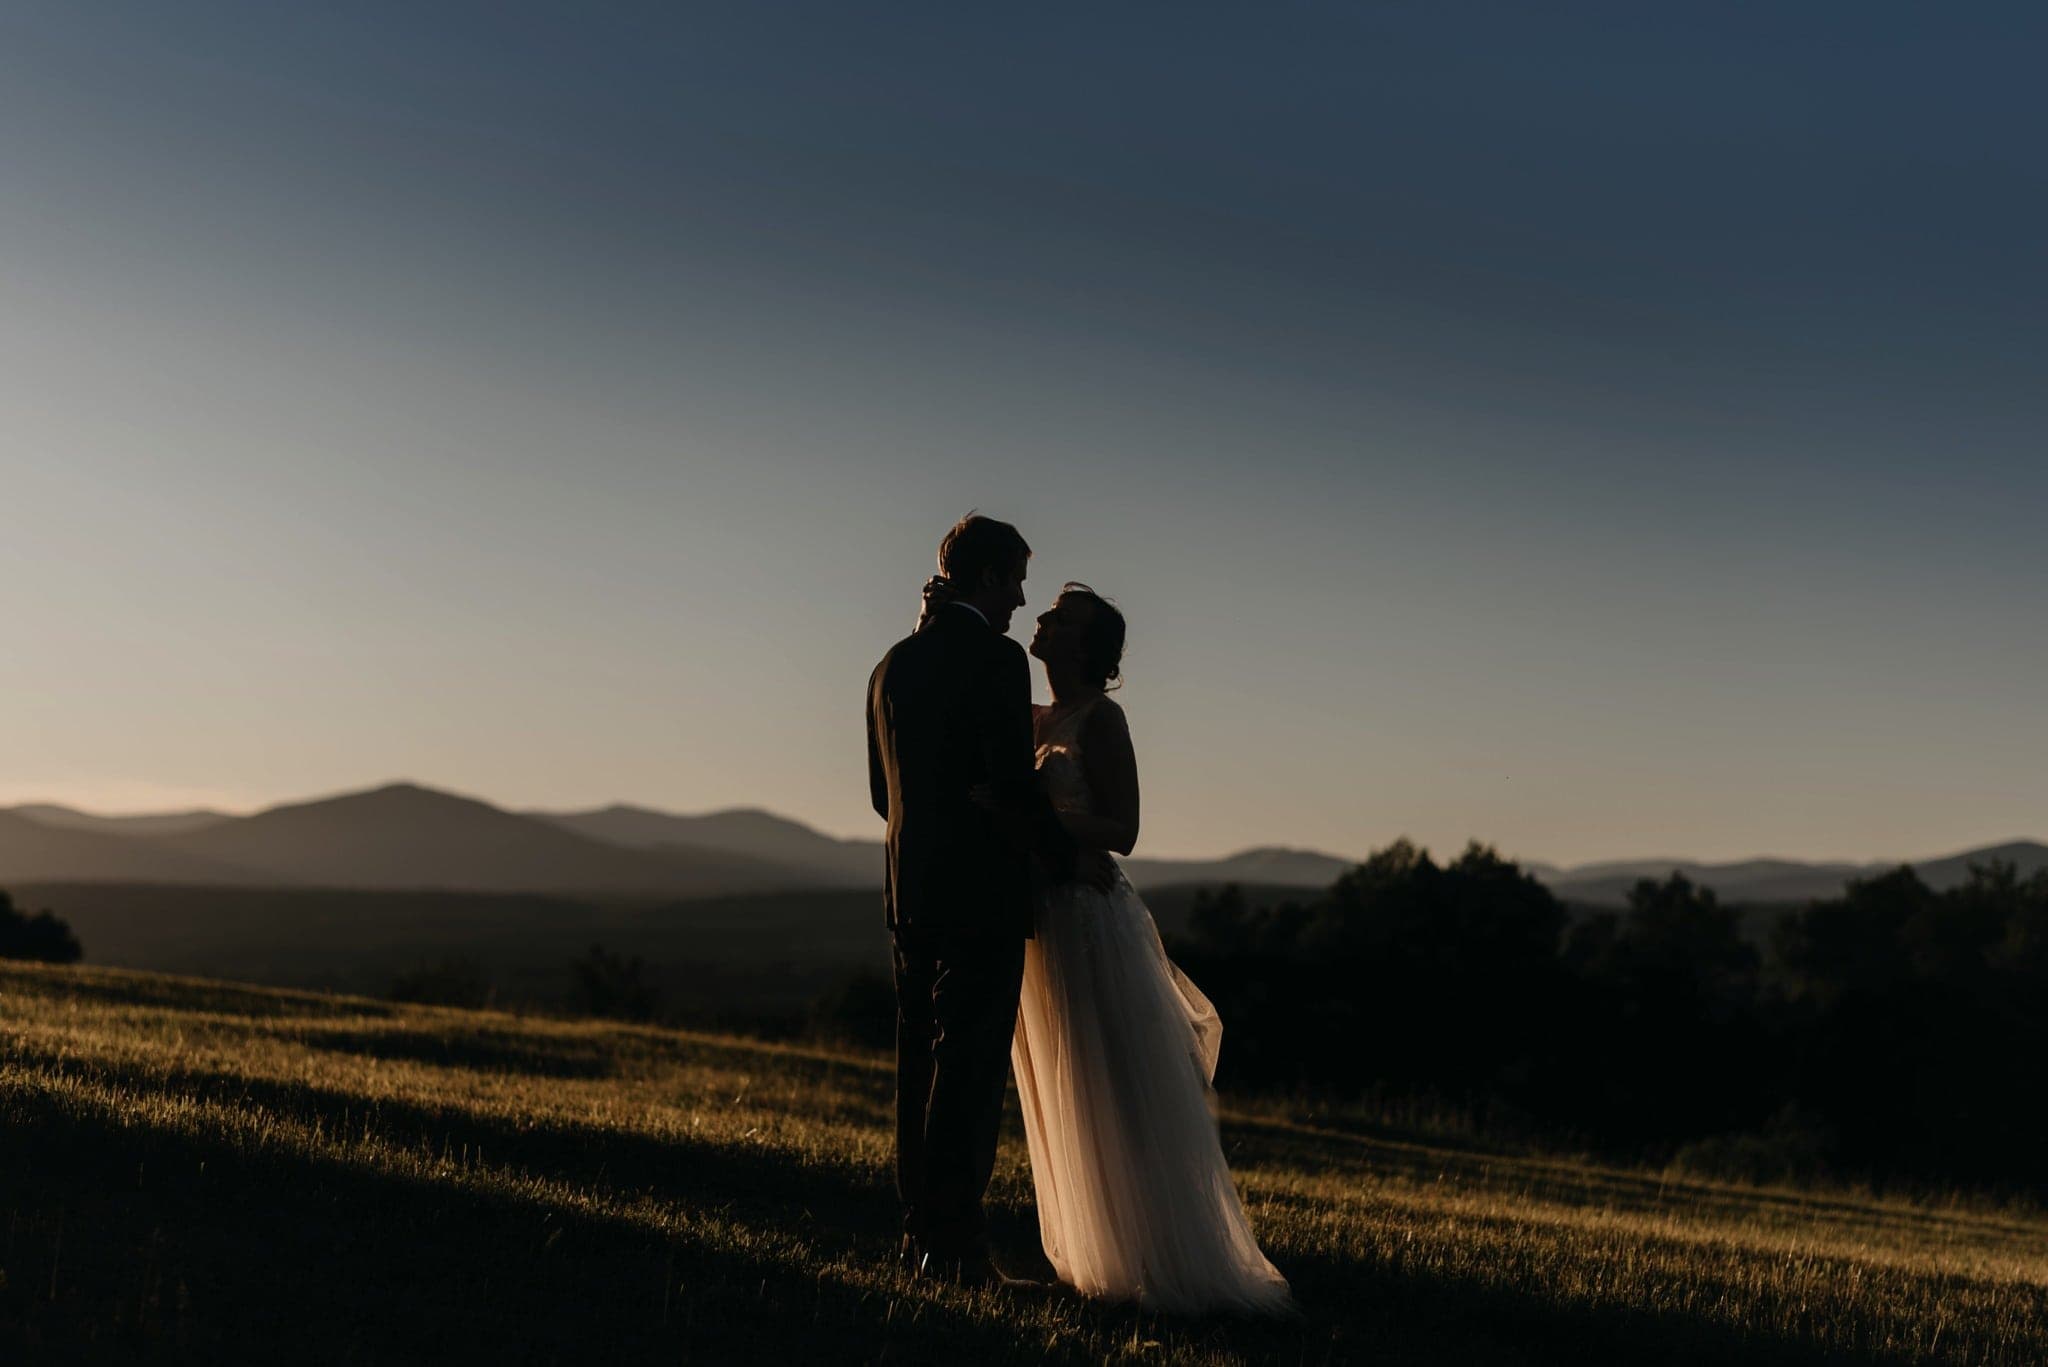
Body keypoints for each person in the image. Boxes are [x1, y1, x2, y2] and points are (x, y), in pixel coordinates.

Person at [1001, 582, 1294, 1316]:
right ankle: (1096, 1249)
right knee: (1062, 1084)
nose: (1041, 619)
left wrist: (1048, 825)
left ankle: (1160, 1255)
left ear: (1089, 647)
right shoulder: (1032, 716)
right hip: (1040, 916)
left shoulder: (1104, 718)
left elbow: (1123, 828)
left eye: (1062, 619)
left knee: (1112, 1083)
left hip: (1089, 917)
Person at [865, 513, 1086, 1288]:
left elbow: (877, 793)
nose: (1023, 600)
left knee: (917, 1066)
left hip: (909, 891)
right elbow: (1013, 785)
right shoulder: (995, 663)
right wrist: (1067, 858)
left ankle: (918, 1234)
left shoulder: (889, 664)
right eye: (1017, 581)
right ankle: (956, 1249)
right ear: (989, 577)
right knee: (969, 1070)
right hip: (980, 895)